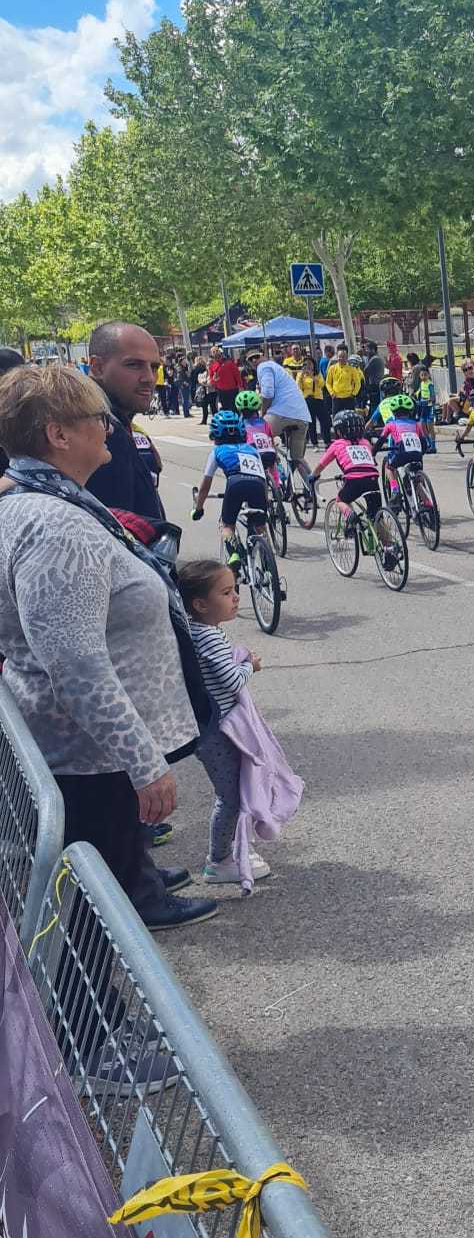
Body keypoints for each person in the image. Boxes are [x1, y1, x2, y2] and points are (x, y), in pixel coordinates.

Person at [0, 365, 218, 951]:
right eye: (97, 418)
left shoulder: (44, 500)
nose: (110, 427)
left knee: (97, 895)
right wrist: (143, 760)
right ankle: (100, 1039)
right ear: (57, 434)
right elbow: (76, 665)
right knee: (91, 922)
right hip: (90, 758)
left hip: (88, 752)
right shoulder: (56, 526)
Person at [178, 561, 274, 889]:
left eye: (235, 589)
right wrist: (250, 665)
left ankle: (229, 852)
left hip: (214, 727)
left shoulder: (204, 631)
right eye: (226, 592)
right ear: (200, 605)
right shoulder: (208, 637)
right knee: (230, 796)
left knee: (233, 792)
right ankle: (218, 861)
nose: (236, 597)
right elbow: (232, 681)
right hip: (215, 731)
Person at [86, 322, 167, 522]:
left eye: (154, 367)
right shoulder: (99, 432)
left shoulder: (114, 423)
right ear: (97, 367)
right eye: (134, 365)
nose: (149, 378)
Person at [189, 408, 270, 569]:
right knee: (260, 526)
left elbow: (205, 485)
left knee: (227, 525)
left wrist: (199, 508)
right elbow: (263, 478)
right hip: (258, 486)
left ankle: (233, 554)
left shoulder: (217, 451)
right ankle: (268, 565)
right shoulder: (252, 450)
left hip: (235, 484)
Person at [309, 411, 386, 539]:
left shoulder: (337, 445)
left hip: (353, 479)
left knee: (341, 500)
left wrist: (313, 476)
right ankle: (389, 547)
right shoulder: (366, 443)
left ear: (339, 431)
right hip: (372, 478)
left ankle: (351, 517)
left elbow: (321, 465)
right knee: (377, 516)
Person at [256, 353, 315, 485]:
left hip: (281, 413)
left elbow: (267, 394)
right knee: (297, 458)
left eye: (255, 357)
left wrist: (262, 414)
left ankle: (275, 467)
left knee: (257, 433)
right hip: (302, 416)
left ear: (262, 357)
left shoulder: (264, 367)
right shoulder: (278, 368)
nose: (254, 361)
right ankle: (312, 492)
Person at [298, 353, 330, 447]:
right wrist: (302, 375)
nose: (308, 366)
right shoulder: (301, 375)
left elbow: (322, 384)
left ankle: (327, 441)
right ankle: (314, 443)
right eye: (306, 364)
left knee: (324, 421)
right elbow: (298, 386)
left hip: (318, 399)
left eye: (309, 363)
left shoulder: (317, 373)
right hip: (307, 399)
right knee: (311, 423)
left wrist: (313, 377)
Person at [325, 345, 364, 420]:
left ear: (346, 358)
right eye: (340, 356)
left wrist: (354, 394)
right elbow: (328, 383)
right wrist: (332, 393)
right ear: (337, 357)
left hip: (349, 397)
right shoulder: (332, 368)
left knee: (351, 418)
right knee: (336, 419)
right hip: (336, 398)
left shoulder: (352, 369)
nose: (341, 358)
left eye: (343, 357)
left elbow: (358, 383)